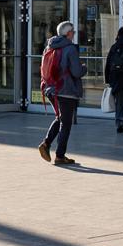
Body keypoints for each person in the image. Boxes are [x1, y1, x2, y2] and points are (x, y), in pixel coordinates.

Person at [36, 21, 86, 166]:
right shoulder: (70, 49)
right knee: (66, 123)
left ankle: (46, 144)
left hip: (51, 89)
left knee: (60, 118)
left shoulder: (49, 47)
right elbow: (76, 72)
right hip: (66, 90)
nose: (74, 34)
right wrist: (84, 68)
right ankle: (59, 155)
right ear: (68, 33)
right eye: (73, 32)